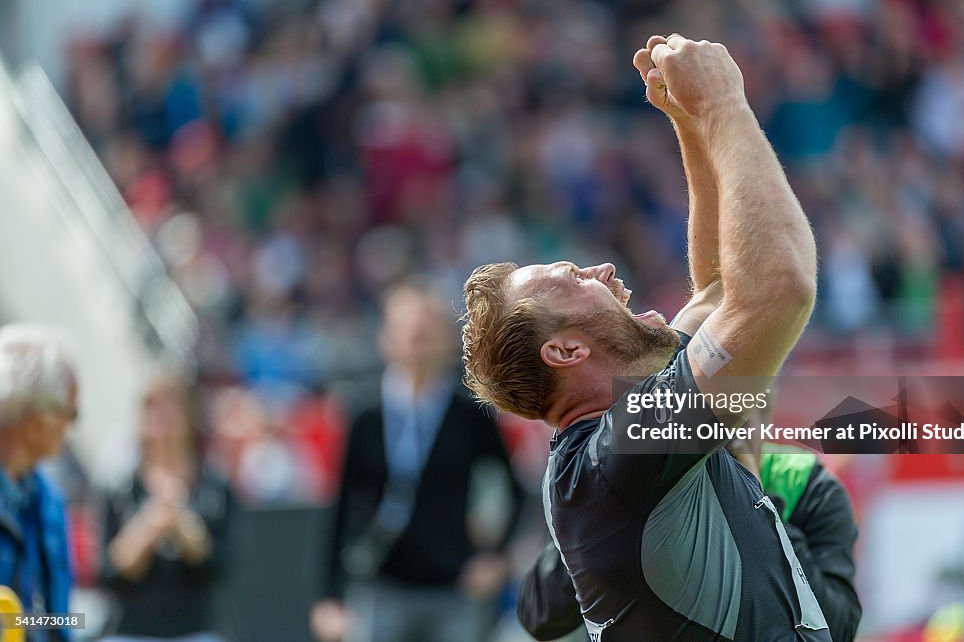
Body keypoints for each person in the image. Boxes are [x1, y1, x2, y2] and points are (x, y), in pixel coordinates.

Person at [461, 35, 825, 640]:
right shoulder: (622, 451)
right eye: (573, 277)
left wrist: (686, 122)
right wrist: (722, 106)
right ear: (567, 351)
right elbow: (776, 287)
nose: (601, 269)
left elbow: (714, 287)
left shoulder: (629, 426)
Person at [311, 281, 525, 642]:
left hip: (454, 590)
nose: (416, 344)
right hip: (382, 584)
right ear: (386, 338)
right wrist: (329, 597)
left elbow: (514, 489)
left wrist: (497, 556)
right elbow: (342, 504)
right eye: (408, 332)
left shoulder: (469, 414)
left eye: (427, 333)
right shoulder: (365, 412)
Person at [517, 439, 863, 641]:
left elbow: (840, 628)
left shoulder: (803, 480)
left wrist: (760, 503)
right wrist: (608, 526)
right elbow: (539, 615)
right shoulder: (633, 476)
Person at [99, 371, 234, 642]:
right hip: (131, 630)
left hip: (196, 629)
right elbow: (110, 570)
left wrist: (181, 522)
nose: (162, 417)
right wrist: (151, 523)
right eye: (151, 406)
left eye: (171, 405)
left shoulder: (214, 486)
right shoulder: (120, 488)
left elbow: (219, 566)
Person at [0, 324, 79, 642]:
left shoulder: (49, 501)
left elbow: (60, 620)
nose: (72, 424)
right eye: (69, 412)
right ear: (33, 419)